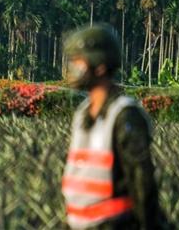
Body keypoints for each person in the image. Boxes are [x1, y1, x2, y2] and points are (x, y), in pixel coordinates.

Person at [62, 24, 163, 229]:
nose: (73, 68)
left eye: (79, 62)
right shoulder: (83, 114)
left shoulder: (125, 115)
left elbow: (142, 182)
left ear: (100, 66)